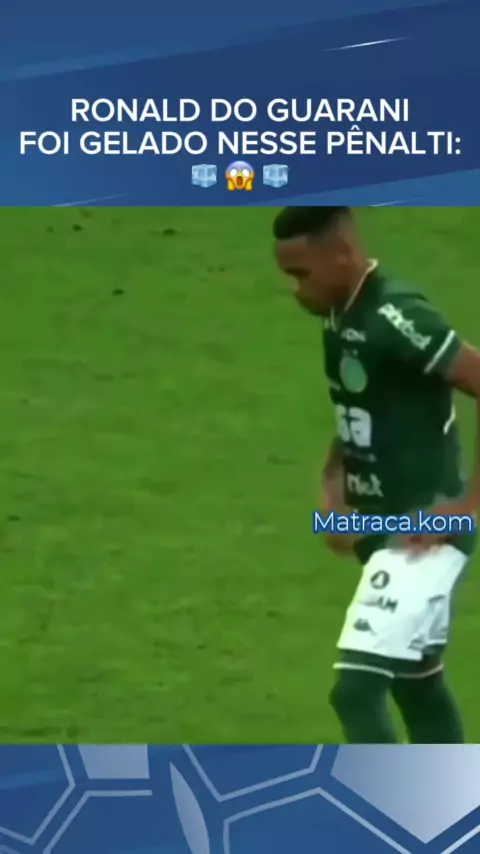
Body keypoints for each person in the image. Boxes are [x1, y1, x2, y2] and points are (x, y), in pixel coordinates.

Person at [273, 205, 480, 744]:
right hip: (381, 528)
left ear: (341, 255)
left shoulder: (395, 316)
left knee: (354, 692)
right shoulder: (341, 316)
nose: (295, 290)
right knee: (417, 683)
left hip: (422, 533)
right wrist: (331, 489)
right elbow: (358, 409)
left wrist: (466, 507)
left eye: (301, 274)